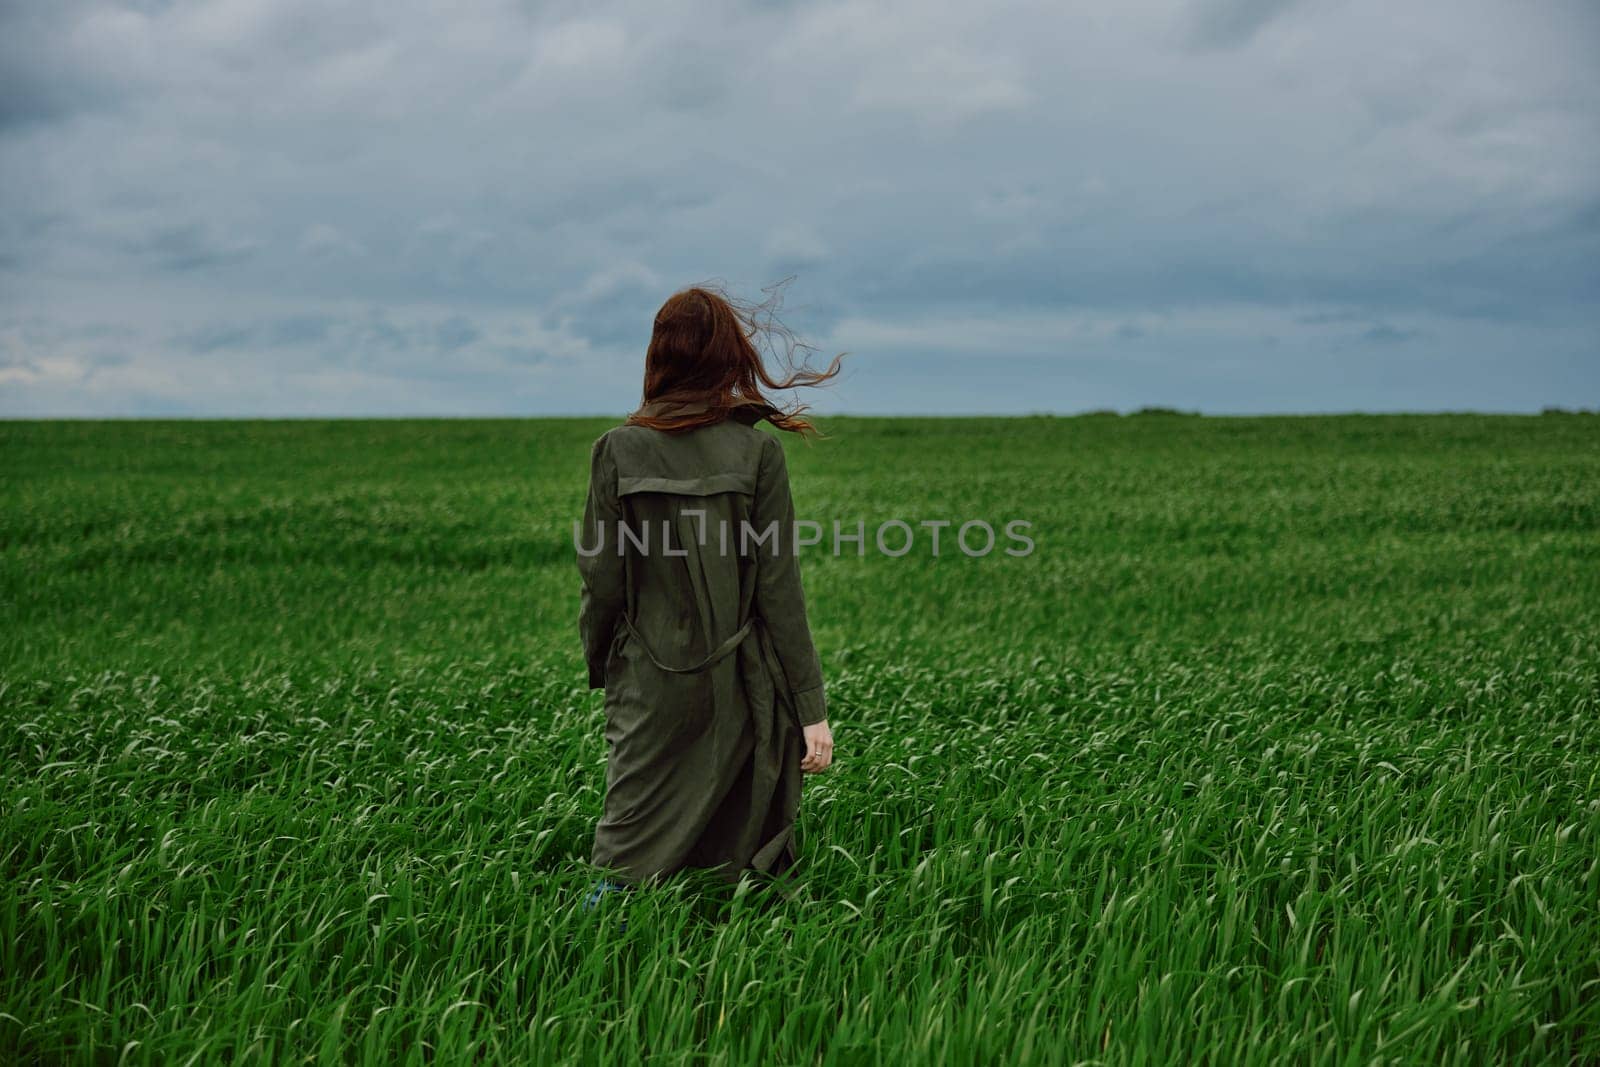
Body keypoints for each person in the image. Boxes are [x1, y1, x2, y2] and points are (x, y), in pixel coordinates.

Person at [576, 281, 844, 916]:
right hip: (740, 681)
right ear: (725, 357)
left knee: (624, 853)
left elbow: (602, 579)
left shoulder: (617, 448)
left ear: (660, 356)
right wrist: (811, 709)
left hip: (649, 676)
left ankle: (584, 952)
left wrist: (603, 664)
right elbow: (781, 590)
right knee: (741, 865)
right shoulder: (757, 452)